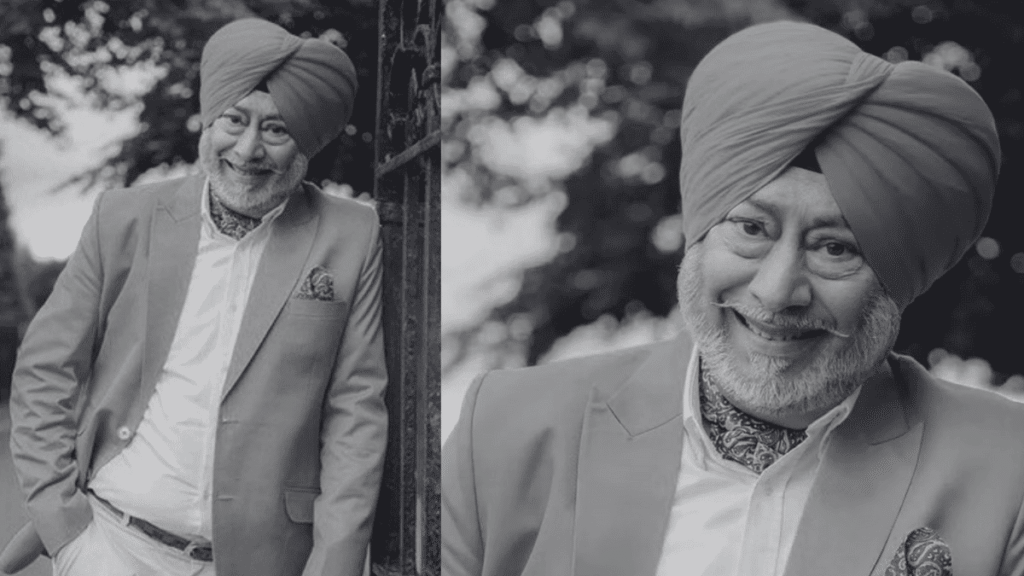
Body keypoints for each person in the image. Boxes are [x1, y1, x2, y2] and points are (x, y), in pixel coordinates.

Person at [442, 20, 1023, 576]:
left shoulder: (1009, 472)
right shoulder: (506, 430)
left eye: (835, 249)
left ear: (898, 279)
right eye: (751, 229)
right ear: (698, 234)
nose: (776, 292)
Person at [0, 17, 388, 576]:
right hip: (109, 545)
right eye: (235, 120)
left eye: (276, 130)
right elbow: (45, 369)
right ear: (211, 120)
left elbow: (357, 413)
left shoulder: (351, 236)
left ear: (306, 141)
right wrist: (67, 532)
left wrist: (333, 566)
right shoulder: (124, 218)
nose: (248, 148)